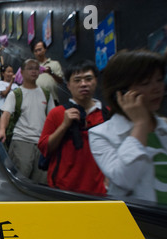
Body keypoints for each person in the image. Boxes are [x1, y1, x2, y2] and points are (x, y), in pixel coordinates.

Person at [89, 49, 167, 204]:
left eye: (159, 80)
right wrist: (140, 124)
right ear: (122, 92)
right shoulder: (100, 134)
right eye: (145, 82)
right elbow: (124, 178)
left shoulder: (163, 126)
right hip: (142, 223)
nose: (157, 88)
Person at [38, 60, 108, 194]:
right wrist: (64, 126)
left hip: (99, 193)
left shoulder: (107, 114)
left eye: (88, 79)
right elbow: (44, 147)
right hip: (63, 191)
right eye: (77, 80)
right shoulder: (57, 113)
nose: (83, 84)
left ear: (96, 81)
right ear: (68, 85)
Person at [0, 59, 55, 184]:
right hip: (22, 142)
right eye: (30, 68)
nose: (34, 71)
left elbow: (52, 117)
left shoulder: (46, 94)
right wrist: (2, 130)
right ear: (21, 72)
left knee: (41, 184)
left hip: (42, 144)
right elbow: (6, 113)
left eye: (36, 68)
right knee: (20, 182)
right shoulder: (16, 94)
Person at [31, 39, 64, 105]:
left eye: (40, 49)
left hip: (52, 99)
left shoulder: (55, 64)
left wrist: (51, 73)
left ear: (45, 49)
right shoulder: (31, 66)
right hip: (35, 101)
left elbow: (61, 81)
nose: (38, 53)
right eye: (35, 51)